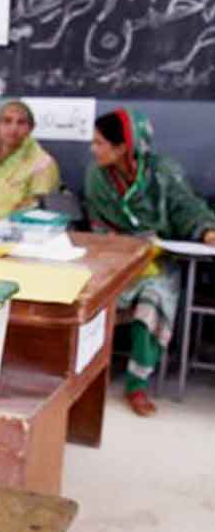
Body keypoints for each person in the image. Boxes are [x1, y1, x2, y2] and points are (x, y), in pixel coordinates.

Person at [86, 108, 215, 416]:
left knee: (152, 299)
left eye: (100, 143)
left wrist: (207, 230)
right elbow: (98, 223)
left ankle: (137, 384)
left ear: (122, 147)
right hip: (114, 257)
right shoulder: (96, 176)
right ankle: (90, 373)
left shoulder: (164, 171)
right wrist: (122, 245)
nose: (93, 149)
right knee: (91, 293)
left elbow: (187, 208)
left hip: (158, 260)